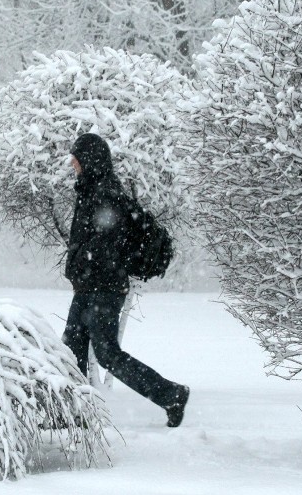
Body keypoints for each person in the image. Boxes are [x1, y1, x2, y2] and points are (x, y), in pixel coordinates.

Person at [62, 132, 190, 427]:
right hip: (89, 287)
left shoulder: (105, 194)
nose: (72, 163)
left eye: (76, 157)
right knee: (70, 350)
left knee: (107, 354)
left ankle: (171, 394)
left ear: (89, 160)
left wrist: (83, 263)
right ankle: (74, 413)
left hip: (103, 289)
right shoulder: (91, 190)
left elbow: (106, 245)